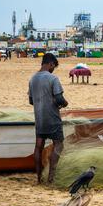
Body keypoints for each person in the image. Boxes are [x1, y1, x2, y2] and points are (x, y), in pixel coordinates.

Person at [28, 53, 68, 184]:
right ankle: (51, 177)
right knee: (58, 144)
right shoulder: (53, 78)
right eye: (53, 67)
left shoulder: (32, 79)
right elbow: (59, 98)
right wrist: (65, 103)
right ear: (50, 64)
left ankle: (39, 178)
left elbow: (31, 101)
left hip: (39, 118)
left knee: (38, 146)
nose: (53, 69)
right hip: (53, 118)